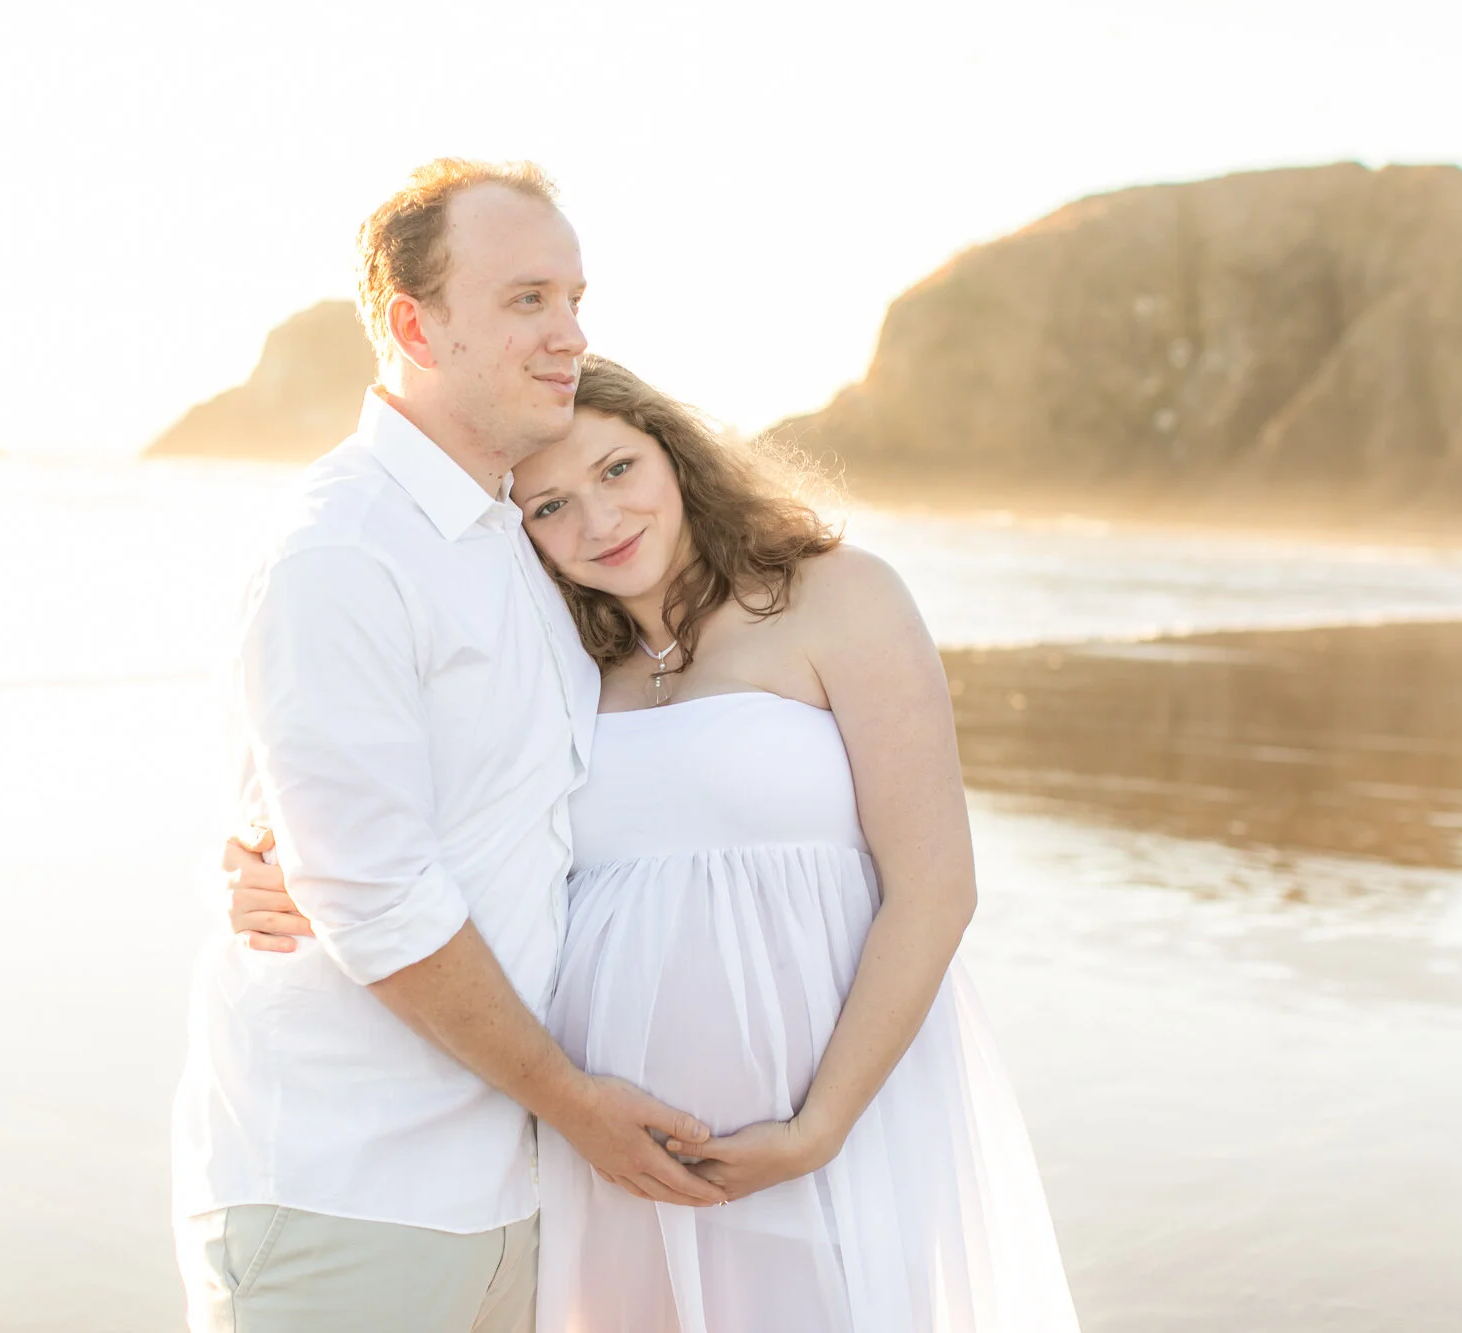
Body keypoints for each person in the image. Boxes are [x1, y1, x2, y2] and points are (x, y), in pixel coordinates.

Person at [228, 355, 1082, 1330]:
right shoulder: (559, 663)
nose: (596, 521)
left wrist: (818, 1127)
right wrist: (287, 868)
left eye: (616, 471)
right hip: (607, 1152)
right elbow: (412, 823)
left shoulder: (835, 596)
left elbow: (934, 887)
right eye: (546, 508)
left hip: (827, 1126)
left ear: (673, 455)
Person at [173, 159, 727, 1333]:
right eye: (527, 298)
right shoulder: (344, 551)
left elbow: (499, 814)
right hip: (344, 1192)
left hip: (505, 1191)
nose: (569, 333)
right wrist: (574, 1101)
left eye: (574, 298)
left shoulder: (515, 537)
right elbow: (373, 889)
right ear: (413, 324)